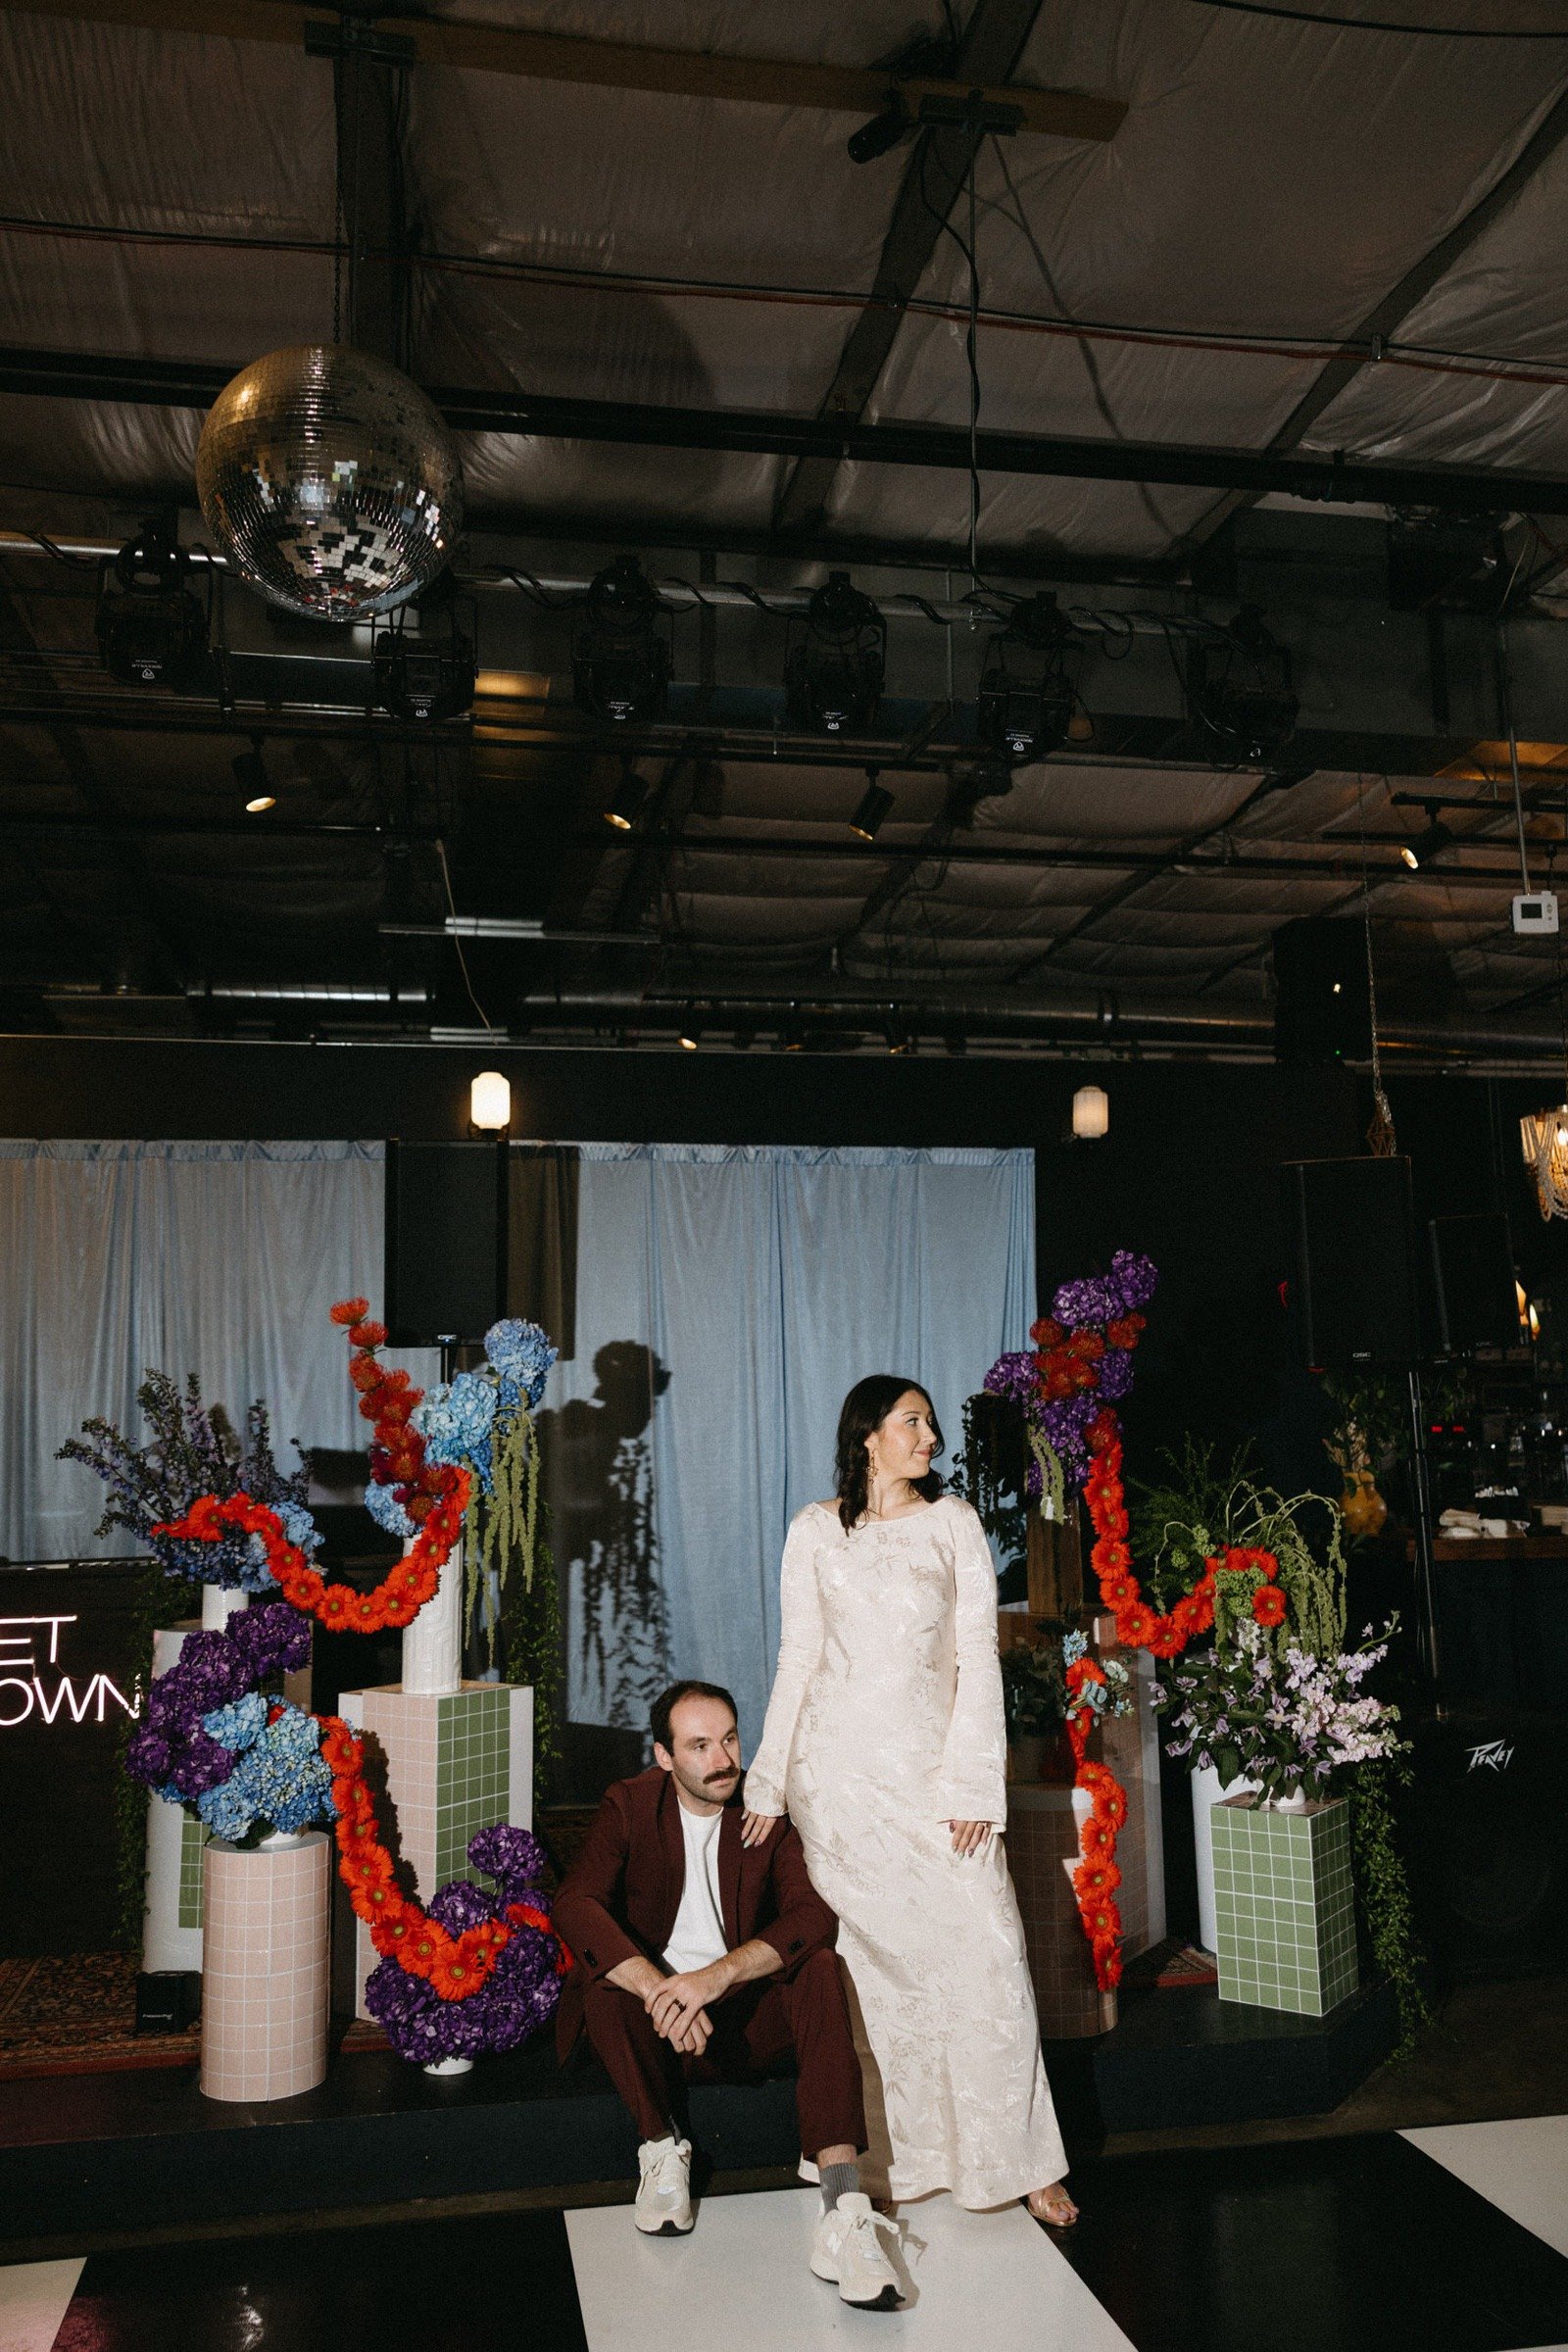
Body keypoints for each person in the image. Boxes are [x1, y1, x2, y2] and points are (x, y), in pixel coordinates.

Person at [742, 1377, 1080, 2228]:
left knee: (988, 1953)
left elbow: (977, 1656)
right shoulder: (815, 1531)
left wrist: (972, 1784)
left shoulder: (953, 1523)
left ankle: (1023, 2160)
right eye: (913, 1422)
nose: (930, 1437)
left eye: (930, 1423)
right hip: (840, 1788)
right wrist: (770, 1781)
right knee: (876, 1982)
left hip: (934, 1785)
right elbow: (797, 1659)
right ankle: (899, 2158)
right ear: (868, 1436)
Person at [554, 1678, 904, 2309]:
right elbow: (576, 1903)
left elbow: (809, 1918)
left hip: (744, 2021)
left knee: (820, 1967)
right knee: (604, 1986)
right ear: (663, 1757)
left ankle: (844, 2210)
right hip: (658, 2027)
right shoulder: (630, 1806)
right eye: (698, 1746)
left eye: (730, 1740)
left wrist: (711, 1980)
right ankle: (661, 2152)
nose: (722, 1761)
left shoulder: (764, 1811)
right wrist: (662, 1990)